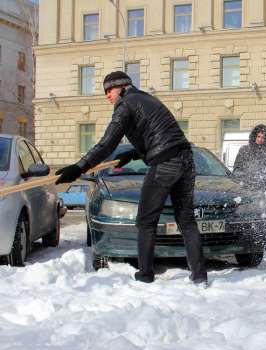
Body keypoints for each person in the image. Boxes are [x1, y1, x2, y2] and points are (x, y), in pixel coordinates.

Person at [54, 71, 207, 286]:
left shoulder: (125, 104)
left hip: (165, 163)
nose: (107, 95)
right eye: (105, 91)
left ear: (122, 87)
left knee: (145, 221)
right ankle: (200, 276)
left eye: (109, 90)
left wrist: (79, 167)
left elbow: (107, 143)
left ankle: (145, 274)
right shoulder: (146, 98)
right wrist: (134, 153)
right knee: (186, 220)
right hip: (186, 160)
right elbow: (158, 133)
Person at [232, 124, 266, 192]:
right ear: (254, 136)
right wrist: (243, 180)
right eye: (258, 136)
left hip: (262, 189)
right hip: (245, 188)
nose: (260, 139)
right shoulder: (244, 150)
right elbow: (237, 169)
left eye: (263, 137)